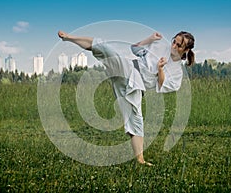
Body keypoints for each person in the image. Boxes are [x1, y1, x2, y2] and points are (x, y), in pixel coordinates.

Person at [58, 30, 195, 166]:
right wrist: (150, 39)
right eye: (174, 42)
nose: (174, 46)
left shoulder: (177, 73)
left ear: (186, 50)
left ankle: (140, 160)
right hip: (129, 69)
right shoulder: (160, 47)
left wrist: (160, 69)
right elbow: (135, 49)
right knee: (105, 47)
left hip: (137, 85)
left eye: (179, 45)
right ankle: (70, 37)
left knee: (136, 121)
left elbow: (161, 85)